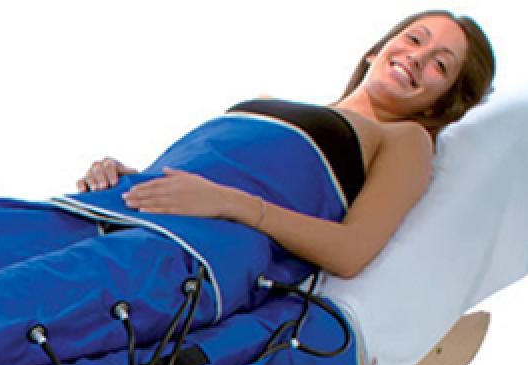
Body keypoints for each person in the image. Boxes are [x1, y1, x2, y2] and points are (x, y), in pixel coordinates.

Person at [77, 10, 495, 279]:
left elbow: (351, 251)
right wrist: (126, 177)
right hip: (114, 213)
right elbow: (192, 178)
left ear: (441, 103)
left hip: (183, 250)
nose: (418, 57)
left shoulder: (405, 139)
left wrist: (231, 203)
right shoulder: (266, 102)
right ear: (376, 51)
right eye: (415, 39)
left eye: (440, 64)